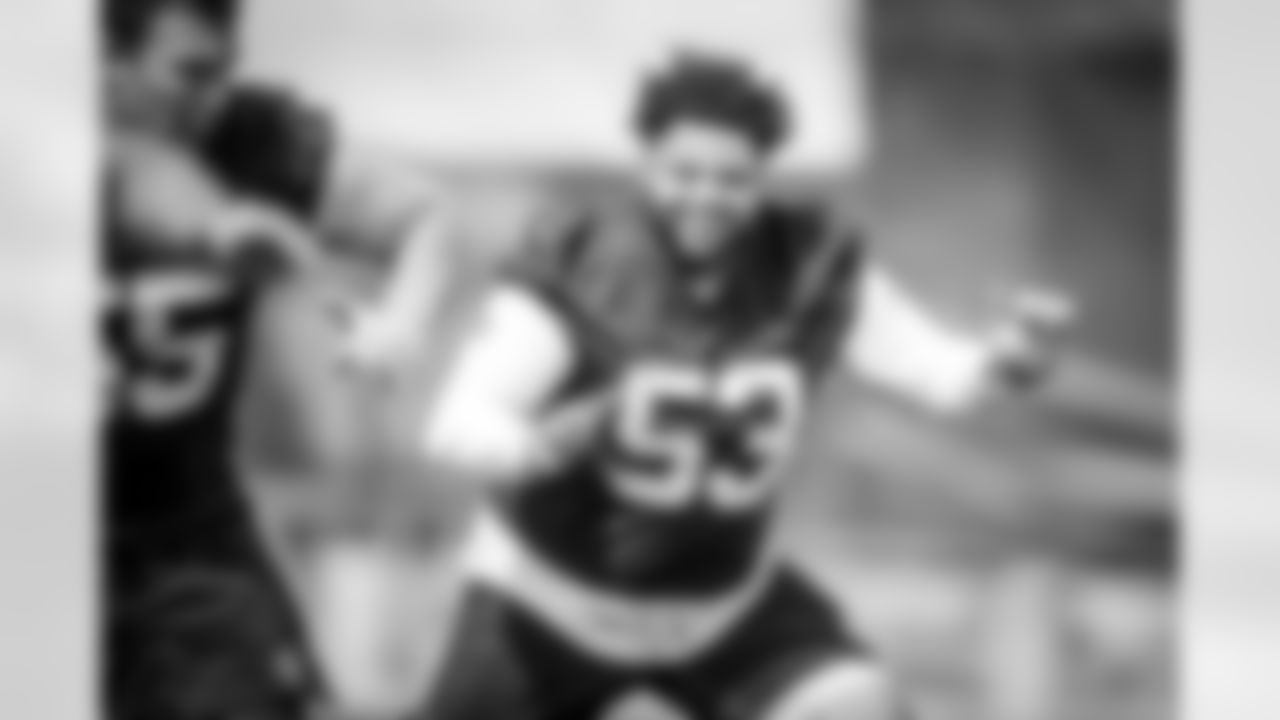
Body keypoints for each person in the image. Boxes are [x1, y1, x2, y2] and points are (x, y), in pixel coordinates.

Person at [416, 53, 1070, 720]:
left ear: (763, 178)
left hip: (722, 610)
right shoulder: (586, 260)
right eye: (685, 173)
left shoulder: (806, 263)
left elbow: (939, 374)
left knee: (855, 706)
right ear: (647, 166)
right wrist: (541, 445)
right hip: (552, 603)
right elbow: (456, 426)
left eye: (733, 178)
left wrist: (1005, 361)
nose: (706, 196)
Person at [102, 1, 452, 717]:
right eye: (190, 74)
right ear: (105, 58)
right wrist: (219, 228)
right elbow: (133, 177)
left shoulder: (251, 140)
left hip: (190, 534)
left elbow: (427, 215)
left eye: (225, 73)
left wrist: (403, 323)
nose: (215, 99)